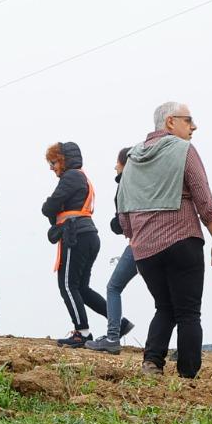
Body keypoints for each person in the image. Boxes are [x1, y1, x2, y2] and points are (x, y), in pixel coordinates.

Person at [117, 101, 212, 378]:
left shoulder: (132, 158)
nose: (194, 126)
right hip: (182, 239)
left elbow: (122, 208)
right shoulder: (183, 150)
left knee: (164, 306)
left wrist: (136, 237)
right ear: (170, 123)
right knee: (189, 312)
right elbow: (203, 198)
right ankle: (188, 376)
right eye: (188, 120)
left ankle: (152, 363)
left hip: (145, 249)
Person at [41, 141, 106, 347]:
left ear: (62, 160)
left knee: (68, 285)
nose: (51, 168)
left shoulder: (71, 176)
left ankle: (82, 332)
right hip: (89, 234)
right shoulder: (82, 177)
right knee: (82, 288)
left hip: (76, 235)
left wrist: (49, 205)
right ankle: (119, 322)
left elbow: (49, 207)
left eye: (53, 163)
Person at [88, 147, 139, 354]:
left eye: (117, 162)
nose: (115, 166)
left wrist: (114, 224)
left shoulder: (126, 184)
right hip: (160, 240)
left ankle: (112, 337)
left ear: (125, 164)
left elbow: (123, 222)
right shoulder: (147, 181)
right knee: (164, 295)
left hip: (139, 243)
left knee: (113, 287)